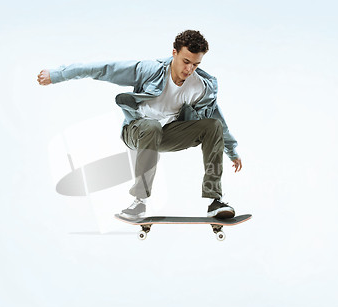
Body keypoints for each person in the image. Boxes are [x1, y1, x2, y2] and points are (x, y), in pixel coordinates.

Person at [37, 30, 242, 220]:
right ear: (174, 53)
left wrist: (232, 151)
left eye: (195, 64)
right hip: (136, 130)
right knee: (151, 126)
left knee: (212, 125)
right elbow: (103, 69)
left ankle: (214, 201)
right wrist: (57, 75)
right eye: (186, 61)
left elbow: (218, 121)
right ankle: (139, 202)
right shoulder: (149, 70)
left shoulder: (199, 87)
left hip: (167, 134)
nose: (189, 69)